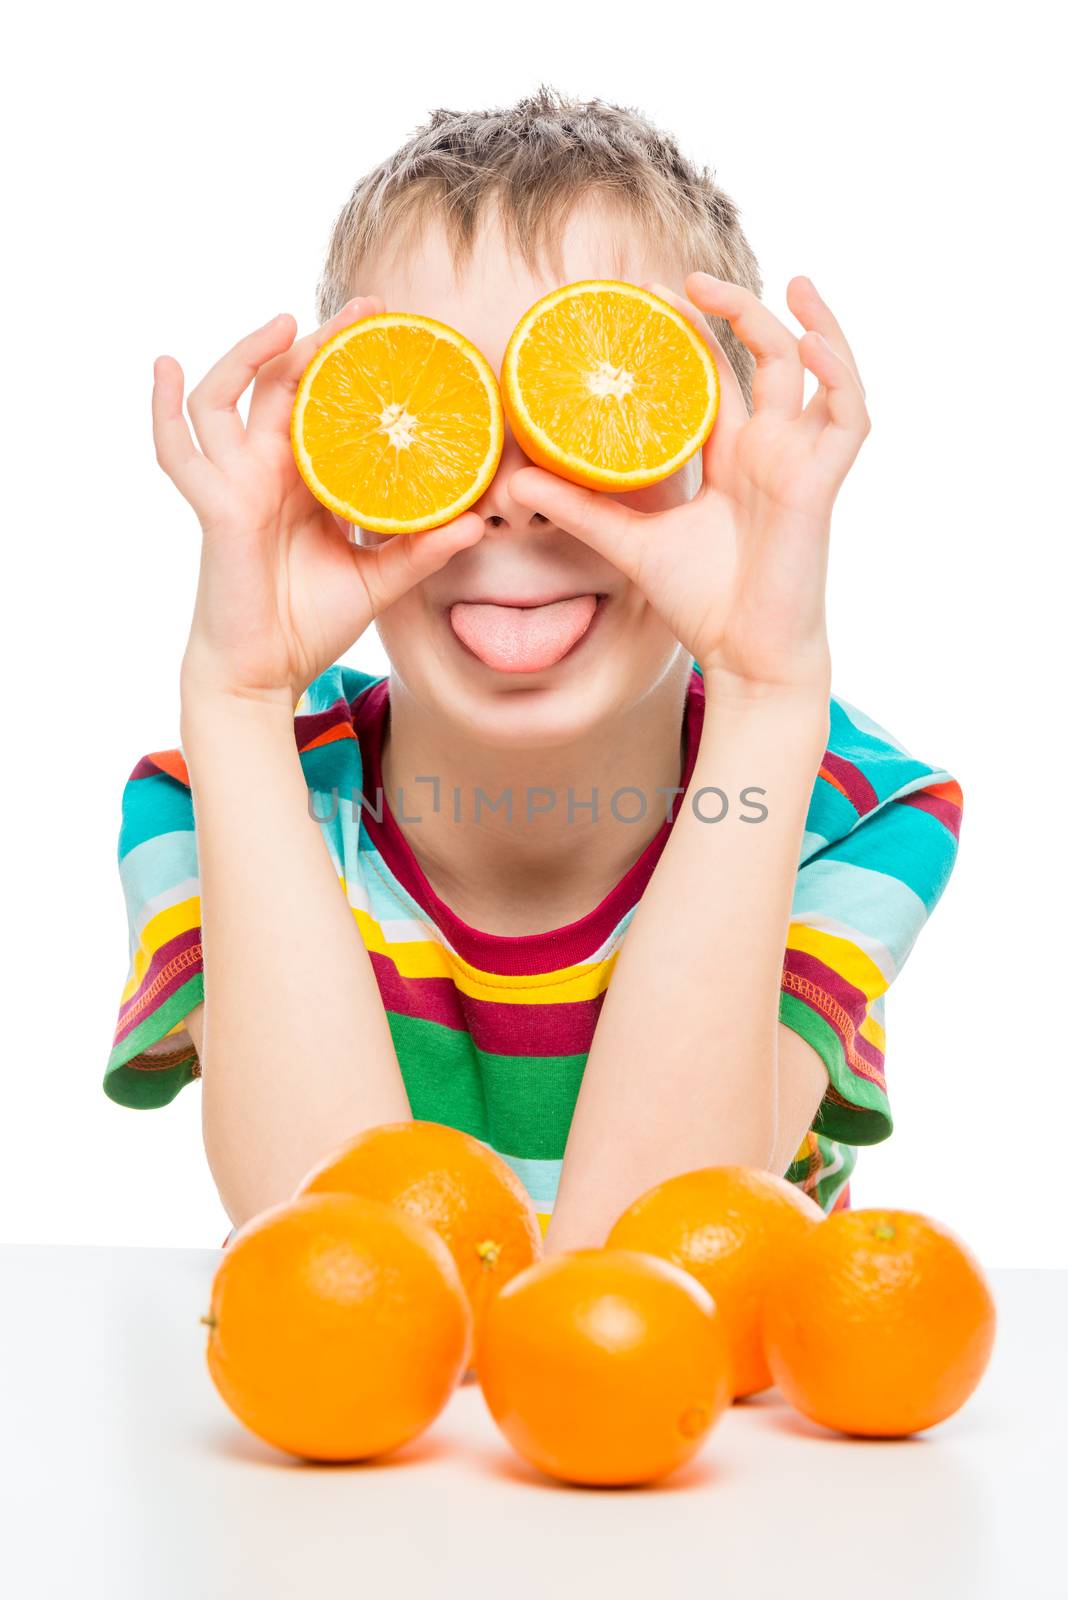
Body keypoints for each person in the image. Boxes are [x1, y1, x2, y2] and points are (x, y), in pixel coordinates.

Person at [106, 88, 962, 1249]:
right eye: (438, 418)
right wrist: (237, 694)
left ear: (728, 451)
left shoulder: (849, 812)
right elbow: (353, 1270)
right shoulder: (218, 794)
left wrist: (768, 693)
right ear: (339, 455)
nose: (514, 496)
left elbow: (645, 1268)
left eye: (594, 415)